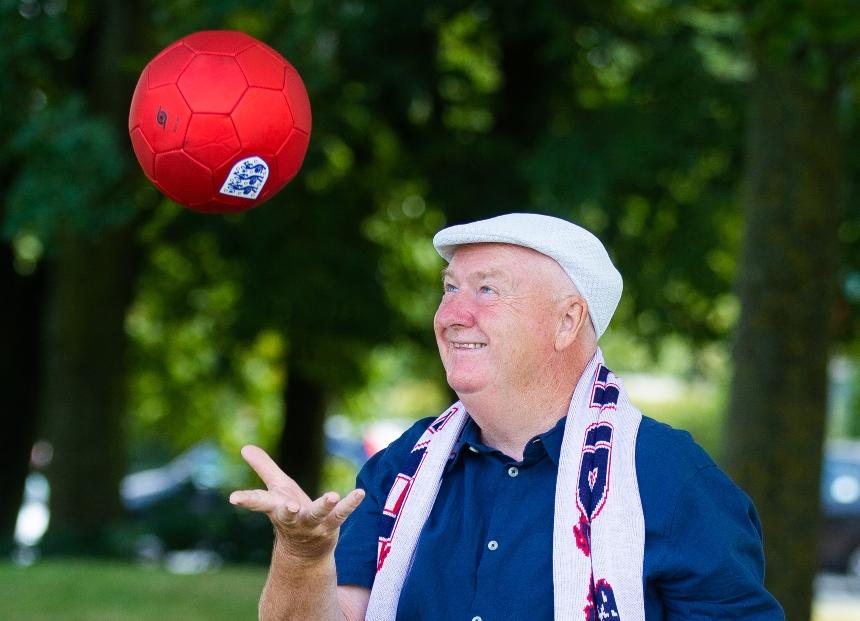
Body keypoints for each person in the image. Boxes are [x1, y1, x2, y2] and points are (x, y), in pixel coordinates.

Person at [230, 213, 784, 621]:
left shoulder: (671, 480)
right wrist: (303, 559)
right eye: (449, 289)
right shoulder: (403, 467)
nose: (450, 315)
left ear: (568, 321)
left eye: (487, 290)